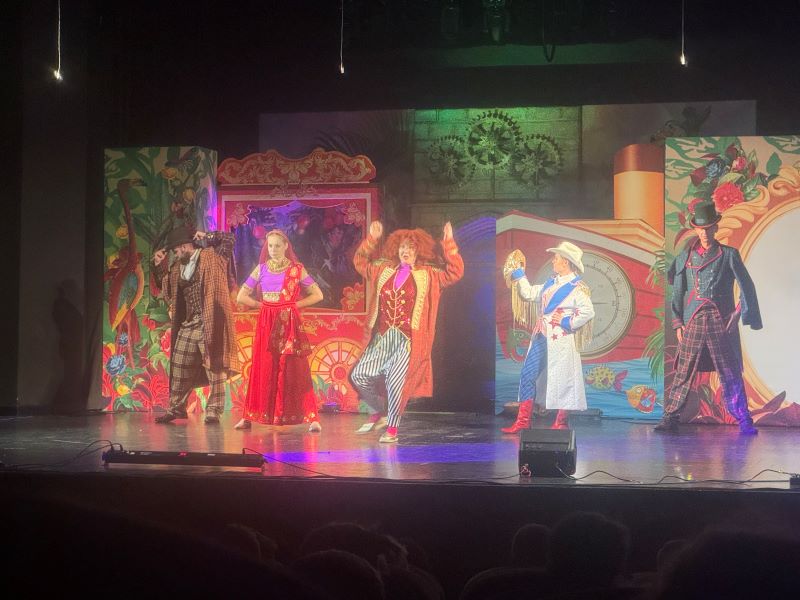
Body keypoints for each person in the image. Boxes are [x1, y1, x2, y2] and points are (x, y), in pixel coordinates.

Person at [350, 221, 464, 443]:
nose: (406, 251)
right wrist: (372, 238)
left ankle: (392, 428)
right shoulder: (383, 270)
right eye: (403, 247)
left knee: (395, 383)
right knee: (359, 375)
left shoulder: (428, 275)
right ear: (397, 249)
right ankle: (379, 410)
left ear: (418, 251)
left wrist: (449, 242)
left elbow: (455, 272)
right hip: (383, 337)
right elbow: (360, 261)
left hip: (407, 340)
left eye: (411, 248)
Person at [656, 201, 762, 434]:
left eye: (709, 228)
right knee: (683, 371)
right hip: (693, 319)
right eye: (700, 228)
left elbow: (747, 286)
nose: (704, 233)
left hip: (719, 320)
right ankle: (670, 417)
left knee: (730, 371)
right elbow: (678, 292)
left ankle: (744, 419)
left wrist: (737, 313)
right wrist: (677, 323)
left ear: (715, 228)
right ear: (695, 228)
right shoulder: (685, 257)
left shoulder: (729, 255)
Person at [234, 229, 324, 432]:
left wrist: (294, 305)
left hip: (288, 321)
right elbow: (241, 296)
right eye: (270, 246)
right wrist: (261, 305)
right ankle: (248, 416)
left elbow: (318, 295)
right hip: (267, 322)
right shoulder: (261, 269)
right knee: (263, 366)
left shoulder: (296, 270)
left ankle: (312, 417)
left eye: (277, 246)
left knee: (295, 368)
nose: (273, 250)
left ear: (285, 247)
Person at [501, 241, 595, 432]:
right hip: (541, 336)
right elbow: (528, 293)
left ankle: (561, 422)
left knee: (563, 377)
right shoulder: (550, 283)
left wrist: (566, 321)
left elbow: (588, 311)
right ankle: (523, 421)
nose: (553, 261)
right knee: (528, 374)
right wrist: (519, 274)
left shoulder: (577, 287)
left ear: (566, 262)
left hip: (561, 339)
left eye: (556, 258)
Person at [152, 226, 241, 424]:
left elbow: (229, 239)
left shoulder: (213, 256)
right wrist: (159, 266)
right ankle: (176, 408)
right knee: (179, 365)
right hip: (190, 323)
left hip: (212, 320)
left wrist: (208, 236)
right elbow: (167, 290)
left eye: (175, 250)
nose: (175, 254)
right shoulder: (177, 268)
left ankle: (214, 410)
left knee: (215, 366)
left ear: (184, 246)